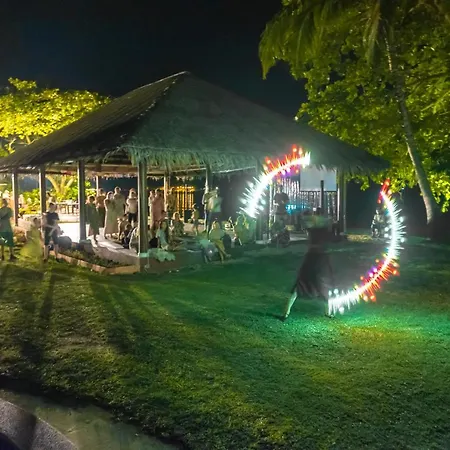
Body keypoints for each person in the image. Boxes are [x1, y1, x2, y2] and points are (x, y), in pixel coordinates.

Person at [281, 226, 334, 321]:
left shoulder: (318, 231)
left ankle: (286, 312)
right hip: (314, 259)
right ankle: (286, 312)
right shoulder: (319, 231)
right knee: (319, 287)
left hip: (317, 260)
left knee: (322, 287)